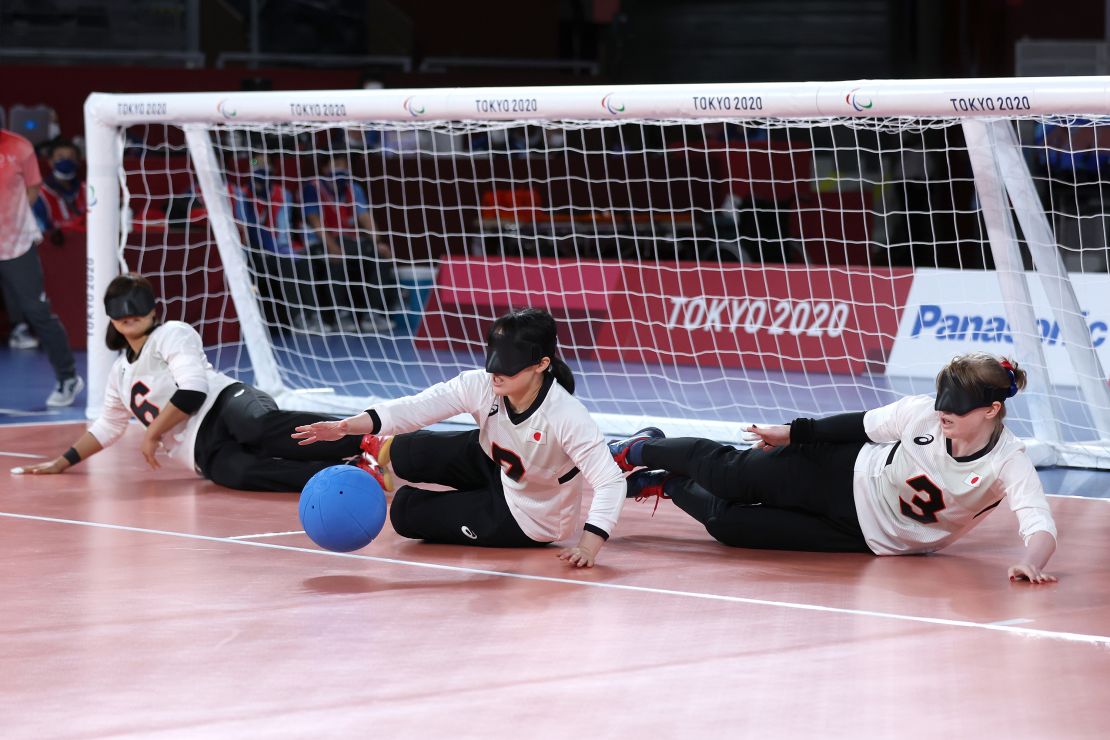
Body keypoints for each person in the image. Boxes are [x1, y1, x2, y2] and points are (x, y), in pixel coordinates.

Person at [609, 352, 1057, 584]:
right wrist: (792, 433)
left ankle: (666, 483)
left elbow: (1038, 523)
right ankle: (638, 450)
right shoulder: (922, 413)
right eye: (942, 406)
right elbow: (859, 425)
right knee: (729, 474)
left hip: (867, 537)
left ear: (992, 410)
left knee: (729, 525)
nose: (944, 416)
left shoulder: (1008, 462)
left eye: (956, 411)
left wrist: (1030, 563)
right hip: (841, 470)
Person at [292, 308, 627, 567]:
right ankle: (376, 456)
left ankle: (445, 498)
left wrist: (588, 545)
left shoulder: (565, 416)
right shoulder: (483, 385)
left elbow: (610, 481)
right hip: (493, 459)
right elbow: (420, 406)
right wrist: (346, 426)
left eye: (509, 364)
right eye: (494, 358)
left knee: (406, 515)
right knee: (405, 448)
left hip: (530, 514)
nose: (496, 372)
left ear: (541, 364)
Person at [10, 273, 377, 491]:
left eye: (136, 306)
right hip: (198, 451)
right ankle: (354, 475)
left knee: (256, 427)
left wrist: (153, 433)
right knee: (241, 473)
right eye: (120, 310)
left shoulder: (172, 333)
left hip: (226, 404)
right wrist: (61, 461)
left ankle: (364, 438)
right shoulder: (119, 373)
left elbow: (193, 389)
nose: (129, 315)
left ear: (153, 309)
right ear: (111, 317)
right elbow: (108, 425)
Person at [0, 128, 83, 406]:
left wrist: (12, 220)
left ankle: (68, 377)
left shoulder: (19, 147)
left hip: (17, 244)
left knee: (38, 312)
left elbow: (33, 188)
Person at [302, 155, 403, 332]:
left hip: (348, 240)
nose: (343, 169)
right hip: (320, 242)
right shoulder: (312, 188)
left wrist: (378, 242)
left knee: (378, 255)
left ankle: (372, 314)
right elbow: (314, 221)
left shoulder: (353, 188)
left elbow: (364, 216)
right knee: (338, 256)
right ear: (325, 168)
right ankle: (342, 314)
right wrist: (331, 246)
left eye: (346, 165)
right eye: (339, 164)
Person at [229, 156, 326, 333]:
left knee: (299, 261)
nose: (261, 167)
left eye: (266, 163)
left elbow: (283, 230)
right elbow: (244, 227)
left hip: (276, 246)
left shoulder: (283, 194)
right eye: (255, 162)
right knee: (281, 264)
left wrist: (277, 249)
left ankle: (312, 315)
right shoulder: (240, 195)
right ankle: (297, 317)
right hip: (248, 249)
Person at [32, 139, 87, 236]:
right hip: (55, 246)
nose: (66, 161)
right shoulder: (40, 195)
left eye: (71, 157)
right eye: (60, 157)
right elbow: (39, 231)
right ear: (50, 161)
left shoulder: (87, 189)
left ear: (78, 162)